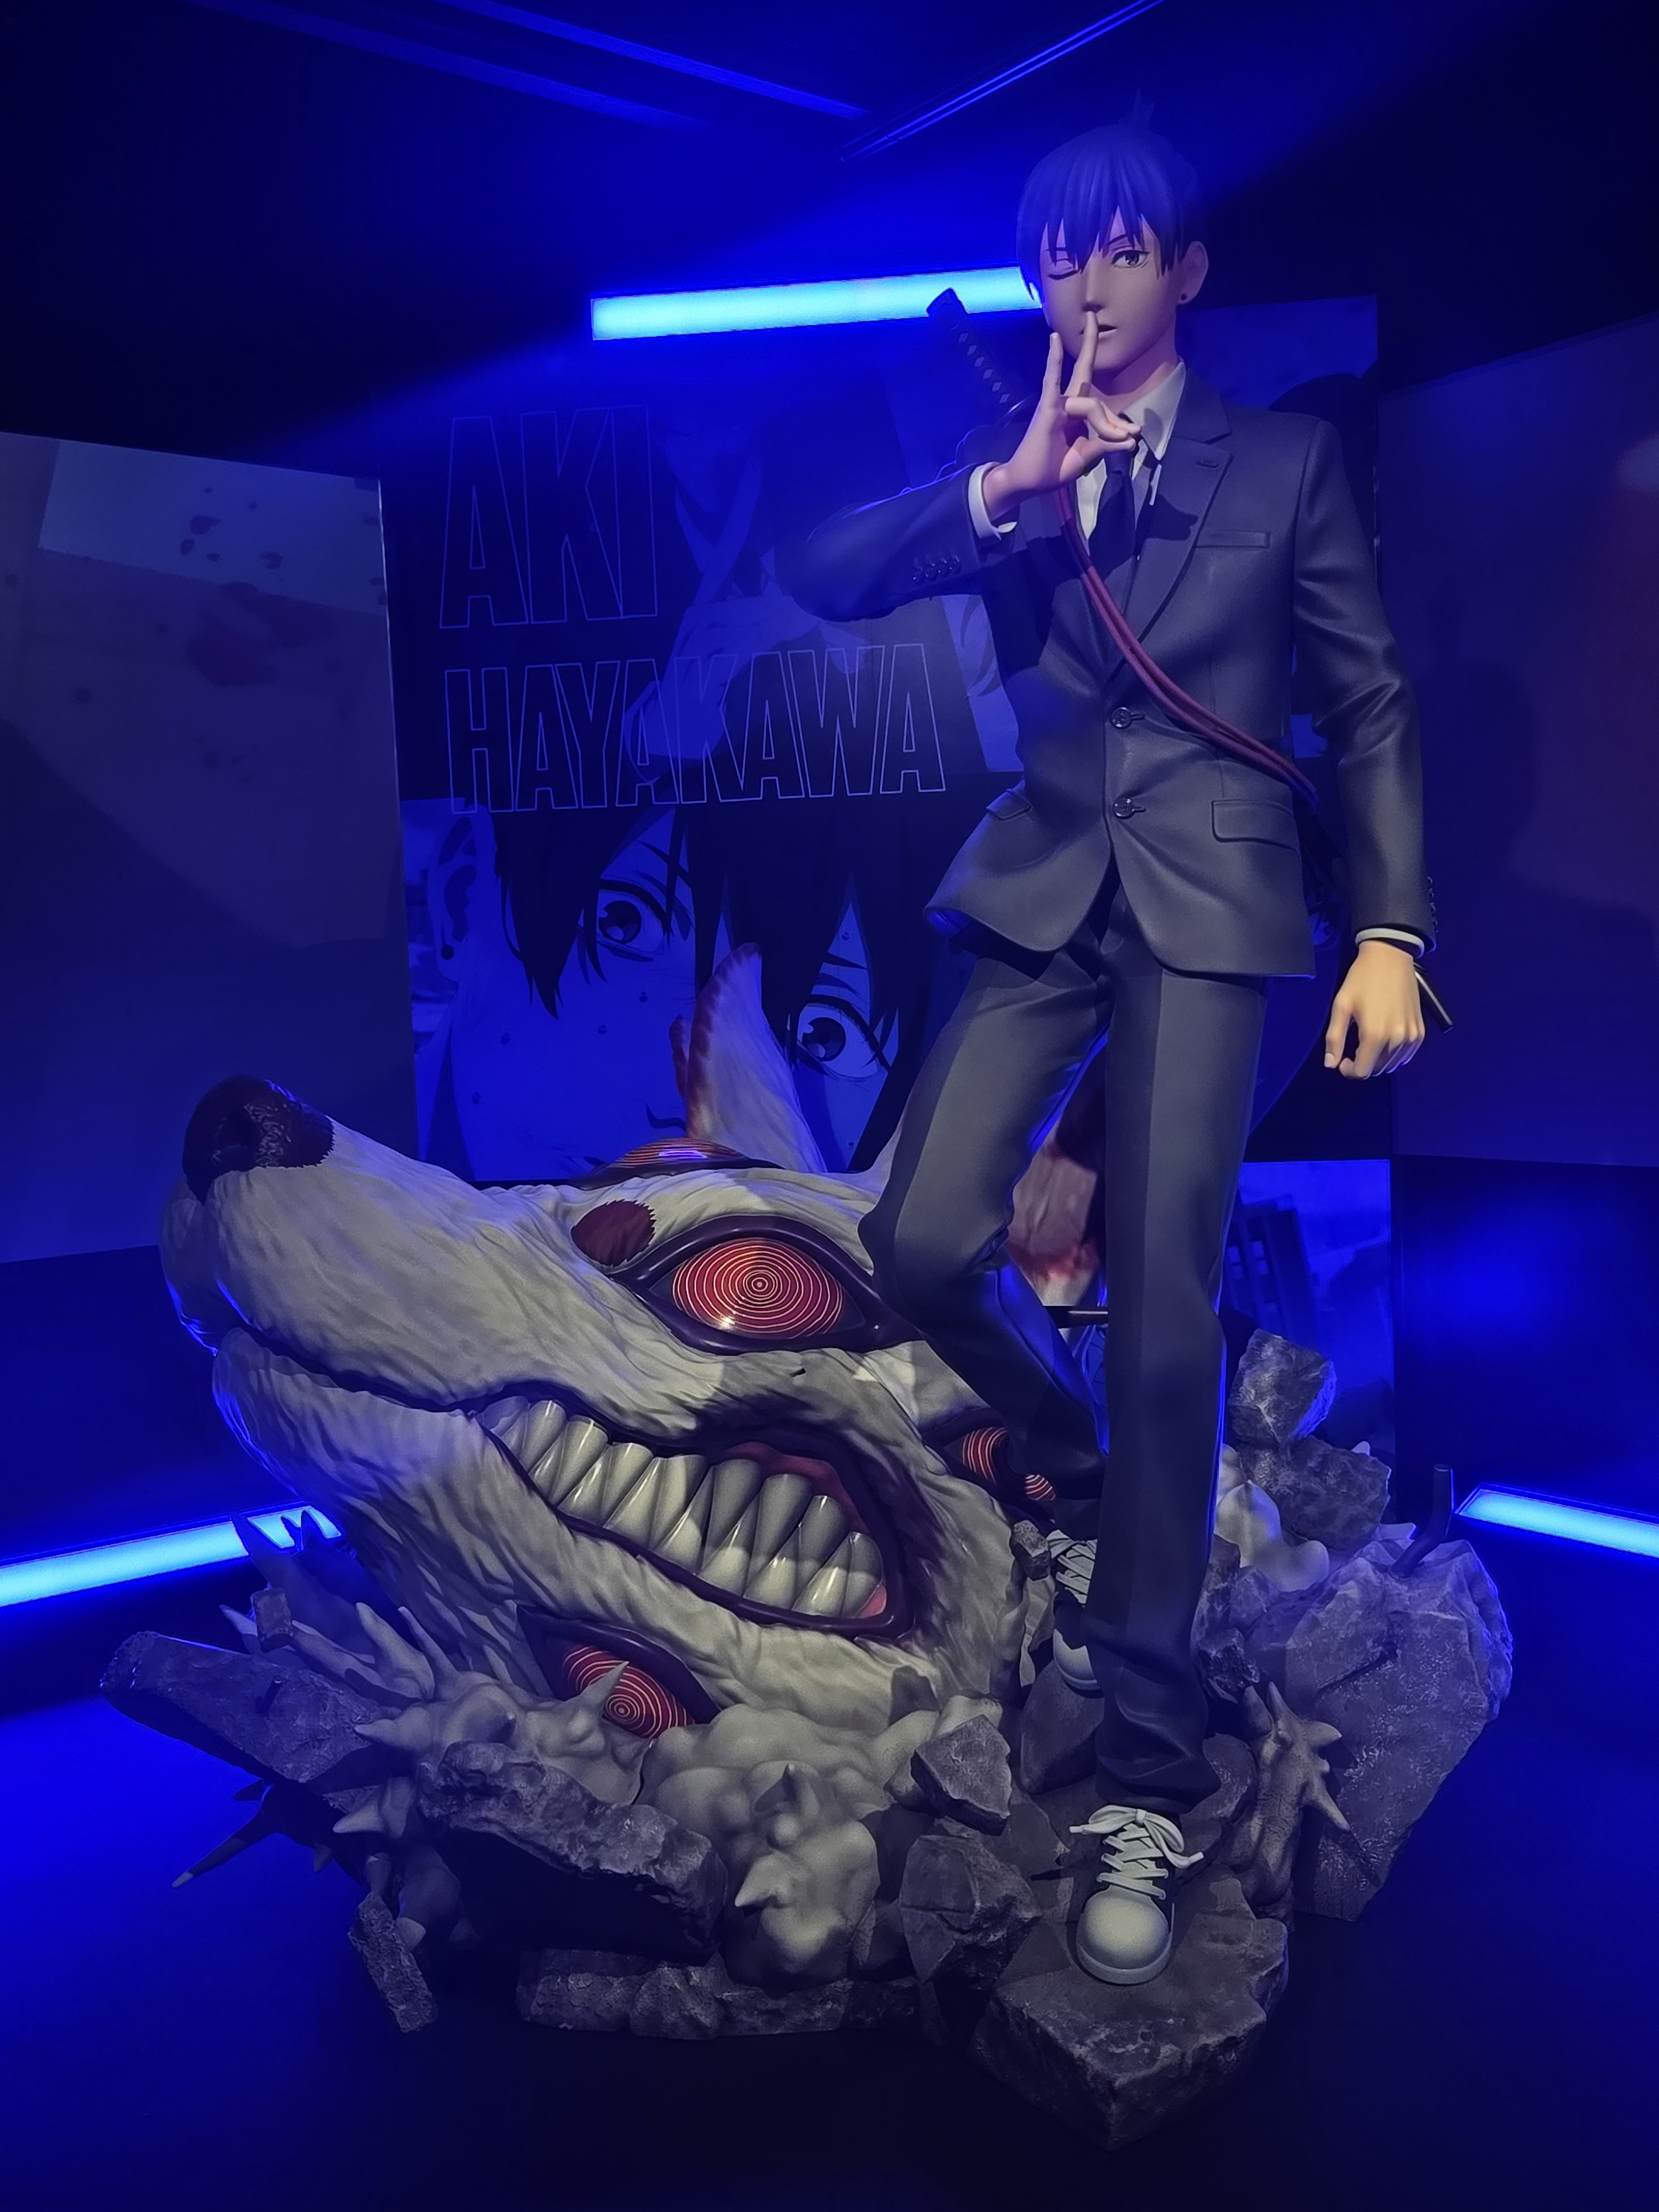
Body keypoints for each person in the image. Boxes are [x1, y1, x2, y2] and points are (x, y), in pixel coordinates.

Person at [791, 114, 1432, 1985]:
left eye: (1123, 247)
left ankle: (1148, 1762)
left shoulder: (1284, 461)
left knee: (1163, 1315)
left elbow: (1368, 704)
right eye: (1057, 252)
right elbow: (823, 568)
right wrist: (1003, 492)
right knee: (920, 1242)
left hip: (1219, 911)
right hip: (1043, 895)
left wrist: (1391, 931)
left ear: (1187, 271)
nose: (1085, 281)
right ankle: (1079, 1472)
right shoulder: (1019, 456)